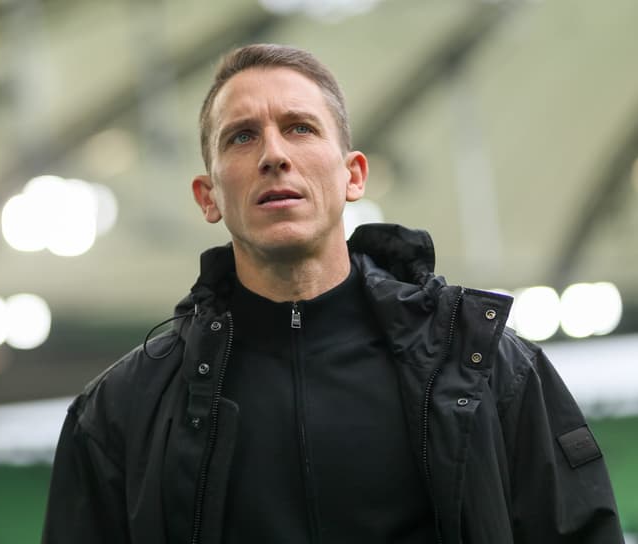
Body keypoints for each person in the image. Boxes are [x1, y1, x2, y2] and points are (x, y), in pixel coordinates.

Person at [42, 44, 623, 543]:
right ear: (207, 196)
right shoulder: (121, 412)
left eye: (300, 127)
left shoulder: (486, 365)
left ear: (354, 175)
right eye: (242, 136)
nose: (274, 155)